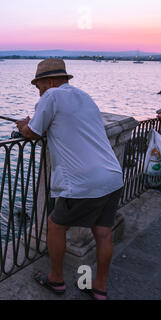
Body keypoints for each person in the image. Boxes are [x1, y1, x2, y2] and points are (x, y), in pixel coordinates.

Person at [16, 58, 124, 300]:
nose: (39, 90)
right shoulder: (85, 97)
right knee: (104, 233)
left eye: (39, 85)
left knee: (55, 226)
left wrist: (24, 125)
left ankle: (56, 280)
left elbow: (33, 133)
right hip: (112, 175)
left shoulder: (51, 96)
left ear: (52, 81)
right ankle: (99, 288)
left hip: (82, 181)